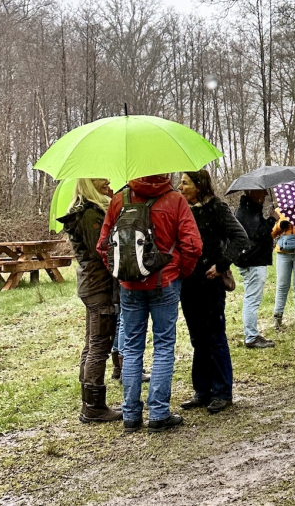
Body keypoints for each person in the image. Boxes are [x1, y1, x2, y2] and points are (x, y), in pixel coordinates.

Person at [98, 174, 202, 433]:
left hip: (129, 286)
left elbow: (103, 246)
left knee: (131, 349)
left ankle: (131, 415)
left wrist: (122, 272)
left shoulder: (118, 200)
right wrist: (180, 272)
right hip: (164, 282)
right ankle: (158, 413)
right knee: (164, 346)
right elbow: (193, 245)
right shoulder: (175, 200)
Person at [179, 171, 249, 414]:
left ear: (199, 186)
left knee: (215, 336)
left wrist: (221, 265)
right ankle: (202, 391)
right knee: (197, 337)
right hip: (188, 282)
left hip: (210, 282)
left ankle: (222, 392)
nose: (180, 186)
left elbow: (240, 237)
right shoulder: (183, 209)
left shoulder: (217, 207)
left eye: (185, 182)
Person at [59, 178, 122, 424]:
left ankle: (90, 400)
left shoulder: (87, 210)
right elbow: (103, 250)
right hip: (98, 286)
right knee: (99, 345)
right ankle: (93, 405)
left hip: (92, 284)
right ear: (88, 183)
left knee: (92, 343)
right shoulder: (89, 214)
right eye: (100, 177)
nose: (107, 180)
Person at [234, 189, 277, 349]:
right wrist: (272, 220)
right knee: (252, 300)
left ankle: (251, 334)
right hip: (253, 261)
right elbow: (258, 234)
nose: (266, 195)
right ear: (253, 192)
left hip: (251, 260)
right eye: (262, 192)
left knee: (250, 299)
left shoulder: (248, 209)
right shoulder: (247, 211)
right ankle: (251, 336)